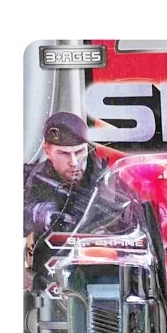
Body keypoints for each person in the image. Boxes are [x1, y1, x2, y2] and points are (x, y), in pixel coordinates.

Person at [23, 112, 106, 278]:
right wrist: (33, 214)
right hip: (46, 273)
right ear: (47, 150)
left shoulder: (109, 183)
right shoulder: (31, 179)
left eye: (79, 152)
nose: (74, 162)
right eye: (63, 153)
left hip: (99, 274)